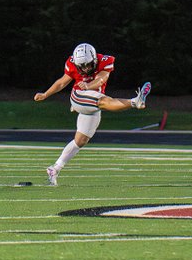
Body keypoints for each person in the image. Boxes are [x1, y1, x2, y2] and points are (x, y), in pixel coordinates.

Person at [33, 42, 151, 185]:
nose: (85, 69)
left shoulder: (105, 61)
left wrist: (89, 85)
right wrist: (45, 94)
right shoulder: (72, 63)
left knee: (80, 141)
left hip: (92, 100)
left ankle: (54, 168)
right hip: (79, 95)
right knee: (103, 101)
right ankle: (134, 101)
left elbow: (101, 79)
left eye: (88, 65)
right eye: (81, 66)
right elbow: (62, 83)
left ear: (94, 59)